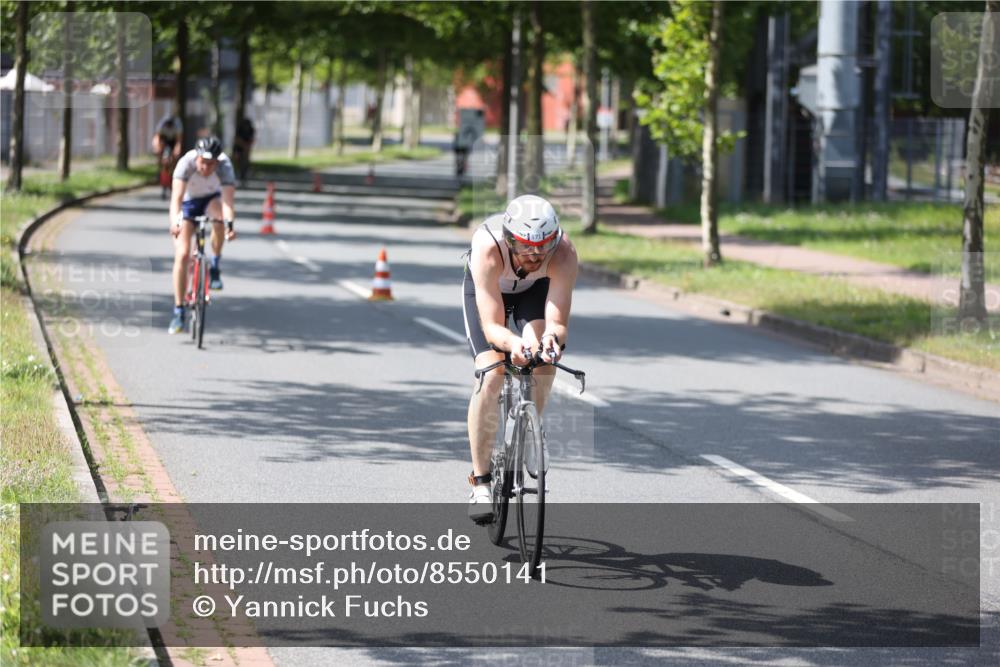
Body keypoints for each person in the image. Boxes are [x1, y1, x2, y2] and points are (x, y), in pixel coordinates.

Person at [463, 194, 578, 522]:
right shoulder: (488, 247)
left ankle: (532, 425)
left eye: (544, 246)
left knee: (543, 357)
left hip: (533, 292)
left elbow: (556, 324)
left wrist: (551, 341)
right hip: (487, 292)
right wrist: (512, 344)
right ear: (510, 239)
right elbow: (491, 326)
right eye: (527, 247)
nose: (536, 254)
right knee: (492, 371)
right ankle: (481, 482)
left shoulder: (564, 253)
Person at [167, 136, 237, 335]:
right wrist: (175, 223)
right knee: (182, 255)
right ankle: (178, 310)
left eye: (211, 164)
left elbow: (228, 203)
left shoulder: (225, 167)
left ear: (217, 161)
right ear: (196, 158)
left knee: (220, 219)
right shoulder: (185, 164)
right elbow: (176, 200)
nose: (206, 168)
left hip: (211, 200)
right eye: (203, 163)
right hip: (187, 204)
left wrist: (230, 225)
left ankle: (214, 264)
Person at [232, 117, 256, 185]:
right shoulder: (239, 129)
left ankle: (244, 174)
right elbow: (237, 139)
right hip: (238, 147)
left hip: (247, 146)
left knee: (245, 161)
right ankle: (236, 172)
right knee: (237, 160)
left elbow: (252, 139)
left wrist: (247, 147)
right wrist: (243, 145)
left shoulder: (251, 130)